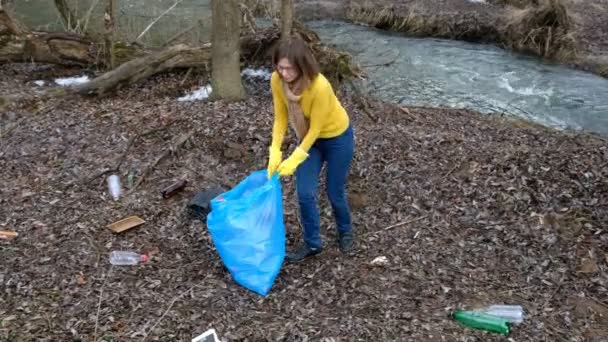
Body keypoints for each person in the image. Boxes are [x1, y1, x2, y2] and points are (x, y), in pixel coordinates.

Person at [266, 36, 355, 263]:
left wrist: (295, 157)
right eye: (280, 67)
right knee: (305, 193)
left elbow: (316, 128)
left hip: (337, 138)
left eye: (289, 68)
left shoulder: (319, 86)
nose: (284, 73)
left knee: (334, 192)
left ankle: (345, 232)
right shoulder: (277, 81)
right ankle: (313, 243)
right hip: (310, 141)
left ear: (302, 65)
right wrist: (274, 150)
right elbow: (281, 118)